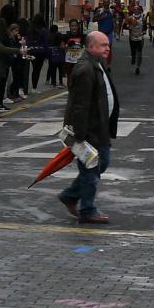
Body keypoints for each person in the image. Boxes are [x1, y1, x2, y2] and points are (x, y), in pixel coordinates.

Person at [57, 31, 120, 225]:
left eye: (108, 45)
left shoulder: (97, 65)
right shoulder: (85, 69)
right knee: (90, 171)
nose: (107, 48)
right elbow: (80, 106)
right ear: (91, 47)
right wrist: (80, 136)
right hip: (89, 131)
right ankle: (87, 210)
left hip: (99, 128)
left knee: (101, 163)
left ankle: (70, 195)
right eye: (103, 45)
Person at [26, 14, 49, 92]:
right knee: (37, 70)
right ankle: (34, 87)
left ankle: (30, 87)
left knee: (33, 68)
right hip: (41, 52)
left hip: (32, 51)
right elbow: (46, 43)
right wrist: (46, 55)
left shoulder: (30, 29)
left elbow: (27, 41)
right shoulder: (44, 30)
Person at [127, 6, 145, 74]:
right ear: (133, 11)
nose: (136, 10)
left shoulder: (143, 18)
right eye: (135, 9)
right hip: (132, 38)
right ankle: (133, 57)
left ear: (140, 10)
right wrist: (129, 27)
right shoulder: (130, 18)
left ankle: (138, 67)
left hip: (140, 38)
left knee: (140, 53)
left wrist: (144, 31)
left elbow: (145, 26)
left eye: (137, 9)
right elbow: (126, 25)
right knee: (133, 52)